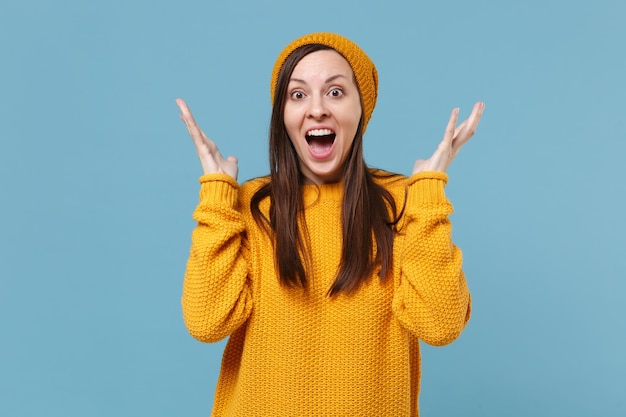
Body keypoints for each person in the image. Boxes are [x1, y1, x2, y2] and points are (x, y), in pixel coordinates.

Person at [177, 32, 484, 417]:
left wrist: (428, 193)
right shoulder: (249, 206)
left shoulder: (406, 203)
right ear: (283, 114)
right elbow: (207, 323)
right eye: (298, 94)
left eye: (335, 92)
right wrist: (218, 196)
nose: (317, 109)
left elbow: (440, 325)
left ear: (362, 109)